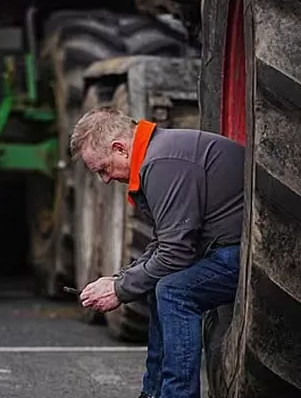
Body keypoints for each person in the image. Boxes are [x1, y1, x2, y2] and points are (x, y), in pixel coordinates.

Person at [71, 106, 245, 398]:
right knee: (159, 286)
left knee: (174, 291)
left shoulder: (161, 163)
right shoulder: (157, 155)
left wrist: (120, 289)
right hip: (224, 248)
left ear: (120, 149)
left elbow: (176, 254)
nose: (105, 179)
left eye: (103, 168)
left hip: (242, 253)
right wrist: (120, 278)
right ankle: (152, 393)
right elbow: (165, 244)